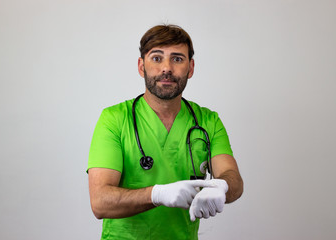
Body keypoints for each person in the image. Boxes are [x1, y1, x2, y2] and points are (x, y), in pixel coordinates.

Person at [87, 24, 243, 240]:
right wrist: (157, 194)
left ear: (191, 68)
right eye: (157, 58)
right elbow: (100, 202)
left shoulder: (208, 121)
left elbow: (233, 178)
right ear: (142, 66)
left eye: (177, 59)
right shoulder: (114, 119)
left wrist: (222, 187)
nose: (167, 68)